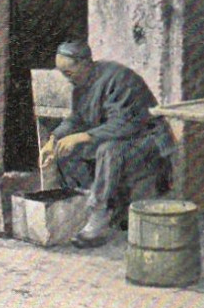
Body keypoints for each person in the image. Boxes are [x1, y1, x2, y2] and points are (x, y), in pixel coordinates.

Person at [39, 40, 174, 248]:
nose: (67, 79)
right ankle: (86, 206)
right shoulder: (80, 85)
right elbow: (76, 119)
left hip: (149, 141)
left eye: (68, 72)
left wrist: (81, 137)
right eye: (63, 73)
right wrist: (53, 140)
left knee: (108, 150)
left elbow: (125, 123)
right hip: (117, 138)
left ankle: (99, 216)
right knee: (67, 149)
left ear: (85, 63)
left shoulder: (119, 78)